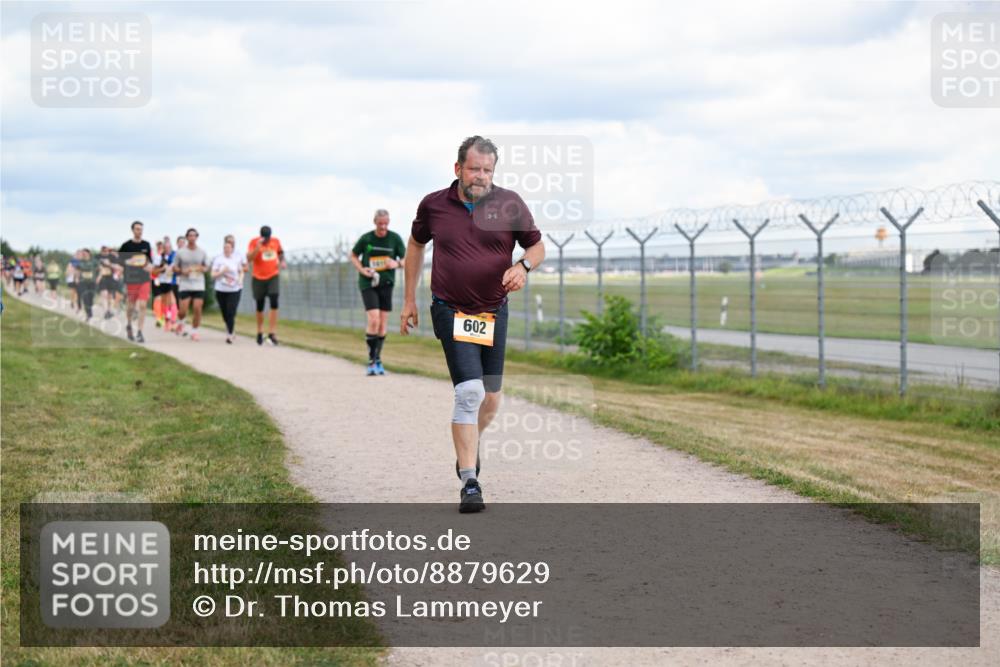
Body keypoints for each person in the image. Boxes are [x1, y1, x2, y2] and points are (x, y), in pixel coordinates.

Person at [400, 135, 545, 513]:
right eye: (474, 168)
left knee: (491, 398)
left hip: (494, 311)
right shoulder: (434, 205)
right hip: (450, 309)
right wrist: (409, 299)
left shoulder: (509, 203)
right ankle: (469, 480)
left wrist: (523, 266)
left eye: (487, 170)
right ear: (458, 168)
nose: (480, 176)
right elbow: (415, 246)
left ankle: (470, 441)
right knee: (468, 393)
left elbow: (536, 247)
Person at [351, 209, 406, 375]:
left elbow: (405, 259)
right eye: (380, 223)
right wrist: (362, 270)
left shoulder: (394, 238)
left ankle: (377, 358)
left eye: (386, 223)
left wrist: (396, 264)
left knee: (382, 323)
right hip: (368, 282)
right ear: (375, 222)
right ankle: (371, 359)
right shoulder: (367, 238)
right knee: (373, 319)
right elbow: (353, 255)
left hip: (386, 283)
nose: (383, 227)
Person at [246, 225, 285, 346]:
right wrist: (258, 247)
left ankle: (272, 333)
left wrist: (282, 260)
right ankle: (259, 331)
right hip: (258, 277)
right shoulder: (254, 242)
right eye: (264, 237)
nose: (266, 240)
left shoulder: (275, 241)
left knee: (274, 300)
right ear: (261, 235)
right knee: (260, 305)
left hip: (273, 275)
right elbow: (249, 258)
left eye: (268, 237)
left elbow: (280, 252)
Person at [119, 221, 154, 343]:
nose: (140, 231)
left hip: (144, 279)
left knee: (143, 305)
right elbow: (120, 261)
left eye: (141, 229)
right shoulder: (126, 246)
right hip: (131, 279)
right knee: (131, 305)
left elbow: (149, 261)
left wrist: (149, 266)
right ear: (133, 230)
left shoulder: (146, 245)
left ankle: (140, 332)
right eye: (137, 229)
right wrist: (131, 262)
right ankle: (129, 325)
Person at [174, 227, 208, 341]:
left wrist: (201, 268)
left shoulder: (202, 252)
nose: (192, 237)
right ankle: (181, 321)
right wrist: (182, 271)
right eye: (190, 235)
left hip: (199, 283)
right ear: (187, 237)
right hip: (185, 283)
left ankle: (194, 331)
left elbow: (207, 267)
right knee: (183, 310)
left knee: (197, 308)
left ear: (197, 237)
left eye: (194, 235)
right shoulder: (181, 252)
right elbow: (175, 267)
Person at [211, 238, 245, 343]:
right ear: (223, 248)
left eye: (229, 247)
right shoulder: (218, 259)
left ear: (232, 249)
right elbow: (213, 275)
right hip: (221, 289)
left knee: (231, 311)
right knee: (225, 312)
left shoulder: (236, 259)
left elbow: (241, 271)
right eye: (225, 247)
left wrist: (240, 280)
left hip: (234, 289)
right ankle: (230, 328)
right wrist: (222, 271)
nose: (227, 249)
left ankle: (229, 334)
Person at [152, 237, 177, 331]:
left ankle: (170, 321)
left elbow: (176, 268)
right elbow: (154, 271)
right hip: (160, 282)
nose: (168, 249)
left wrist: (172, 270)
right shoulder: (159, 257)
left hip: (170, 282)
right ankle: (163, 319)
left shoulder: (174, 256)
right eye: (166, 247)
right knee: (163, 301)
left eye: (169, 247)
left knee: (170, 301)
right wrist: (163, 269)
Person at [75, 248, 99, 321]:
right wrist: (76, 278)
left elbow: (100, 269)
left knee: (91, 298)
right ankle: (89, 314)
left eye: (85, 253)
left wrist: (99, 277)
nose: (84, 254)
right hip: (83, 282)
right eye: (83, 253)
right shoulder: (80, 262)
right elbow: (78, 271)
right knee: (85, 297)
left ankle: (90, 307)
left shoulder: (94, 261)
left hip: (92, 282)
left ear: (89, 253)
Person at [97, 246, 117, 318]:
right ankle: (105, 312)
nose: (105, 252)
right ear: (101, 251)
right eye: (103, 251)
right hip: (102, 278)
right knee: (104, 294)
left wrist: (109, 264)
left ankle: (109, 310)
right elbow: (95, 266)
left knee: (110, 296)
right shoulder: (98, 257)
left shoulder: (112, 257)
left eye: (106, 251)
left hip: (111, 278)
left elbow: (117, 266)